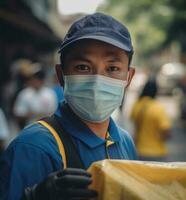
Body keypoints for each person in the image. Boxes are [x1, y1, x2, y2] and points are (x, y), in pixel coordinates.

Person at [0, 12, 137, 200]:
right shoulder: (33, 148)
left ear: (128, 78)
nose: (97, 80)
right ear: (61, 75)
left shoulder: (125, 141)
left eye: (112, 68)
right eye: (83, 67)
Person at [130, 78, 171, 161]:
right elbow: (166, 130)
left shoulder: (137, 105)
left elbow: (134, 123)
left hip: (138, 151)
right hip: (157, 153)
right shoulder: (158, 108)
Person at [13, 63, 57, 129]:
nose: (37, 81)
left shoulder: (50, 93)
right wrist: (30, 114)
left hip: (47, 128)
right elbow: (18, 114)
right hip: (29, 127)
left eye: (39, 78)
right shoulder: (24, 94)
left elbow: (54, 112)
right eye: (35, 78)